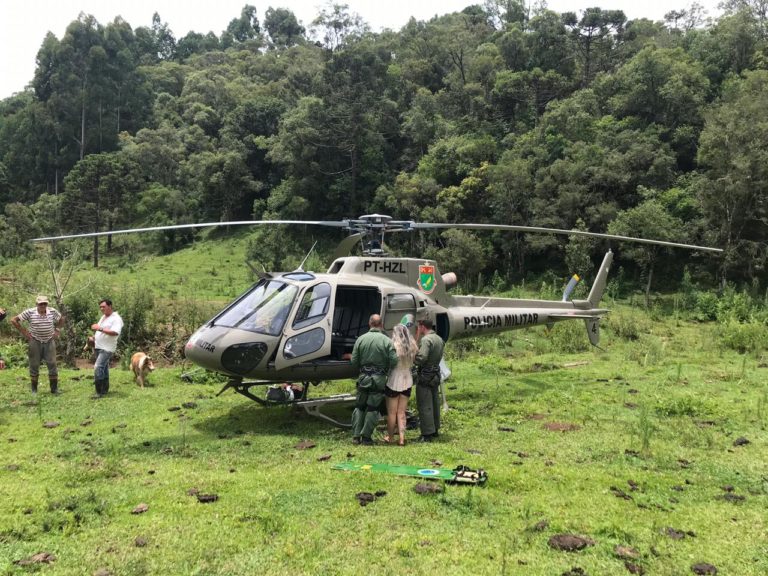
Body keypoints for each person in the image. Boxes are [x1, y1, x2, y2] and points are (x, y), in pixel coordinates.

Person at [349, 314, 398, 445]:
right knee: (372, 408)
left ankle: (355, 436)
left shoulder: (360, 339)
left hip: (364, 378)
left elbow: (354, 361)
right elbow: (394, 361)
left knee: (359, 406)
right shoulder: (387, 341)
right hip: (378, 379)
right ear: (381, 325)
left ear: (369, 324)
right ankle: (366, 437)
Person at [11, 296, 64, 394]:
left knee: (52, 364)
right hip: (35, 341)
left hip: (49, 341)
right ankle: (34, 390)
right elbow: (14, 320)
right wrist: (24, 332)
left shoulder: (52, 311)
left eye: (45, 303)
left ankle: (54, 389)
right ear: (37, 304)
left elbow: (61, 319)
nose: (43, 305)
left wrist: (57, 330)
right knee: (34, 365)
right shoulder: (30, 312)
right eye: (41, 304)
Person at [384, 324, 419, 446]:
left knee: (392, 412)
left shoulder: (393, 347)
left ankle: (391, 437)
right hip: (407, 379)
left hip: (394, 380)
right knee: (402, 412)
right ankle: (402, 439)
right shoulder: (412, 347)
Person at [414, 317, 446, 442]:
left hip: (425, 375)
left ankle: (426, 434)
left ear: (422, 326)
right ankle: (435, 429)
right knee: (434, 402)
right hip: (435, 374)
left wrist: (412, 357)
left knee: (424, 404)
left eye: (419, 327)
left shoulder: (426, 340)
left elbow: (422, 358)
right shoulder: (439, 339)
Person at [90, 298, 123, 398]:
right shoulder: (104, 317)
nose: (101, 309)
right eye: (100, 307)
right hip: (99, 346)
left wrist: (99, 328)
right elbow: (102, 331)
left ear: (110, 306)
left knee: (98, 367)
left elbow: (115, 332)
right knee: (104, 368)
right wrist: (94, 337)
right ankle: (104, 390)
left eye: (103, 306)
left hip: (107, 348)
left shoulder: (116, 319)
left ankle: (98, 392)